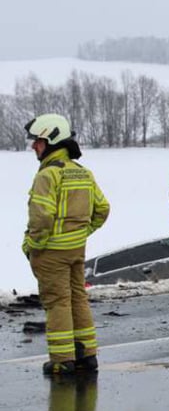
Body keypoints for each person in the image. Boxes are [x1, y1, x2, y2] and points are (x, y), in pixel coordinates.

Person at [24, 113, 110, 376]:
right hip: (75, 250)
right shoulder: (82, 173)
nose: (33, 146)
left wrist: (33, 244)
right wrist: (80, 233)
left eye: (37, 141)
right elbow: (102, 209)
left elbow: (41, 217)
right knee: (77, 299)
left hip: (51, 252)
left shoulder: (47, 176)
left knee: (57, 303)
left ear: (50, 140)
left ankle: (63, 359)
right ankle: (87, 354)